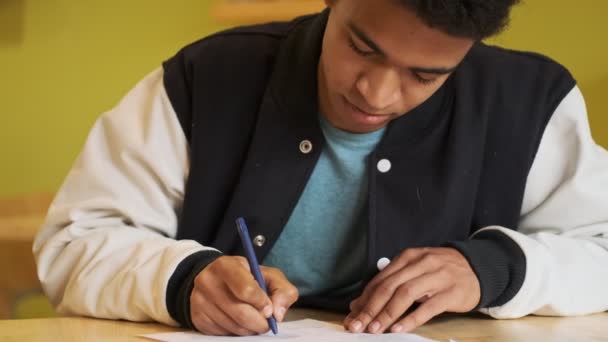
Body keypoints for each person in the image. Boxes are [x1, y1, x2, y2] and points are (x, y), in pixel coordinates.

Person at [33, 0, 608, 336]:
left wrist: (494, 268)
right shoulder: (206, 77)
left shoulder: (530, 100)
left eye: (425, 75)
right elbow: (75, 242)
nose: (377, 94)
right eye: (362, 48)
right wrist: (183, 281)